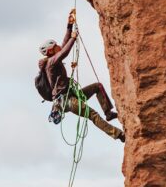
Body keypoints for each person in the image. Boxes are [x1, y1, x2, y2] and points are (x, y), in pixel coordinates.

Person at [36, 9, 125, 142]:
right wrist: (73, 37)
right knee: (93, 115)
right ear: (50, 50)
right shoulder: (51, 63)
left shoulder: (53, 59)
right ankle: (118, 135)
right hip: (67, 101)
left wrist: (69, 26)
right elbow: (64, 51)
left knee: (97, 86)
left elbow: (64, 45)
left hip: (71, 96)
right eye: (56, 46)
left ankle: (108, 113)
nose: (59, 46)